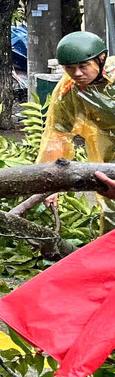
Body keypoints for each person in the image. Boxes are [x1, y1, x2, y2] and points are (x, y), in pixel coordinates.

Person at [38, 31, 115, 231]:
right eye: (69, 68)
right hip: (109, 154)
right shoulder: (68, 91)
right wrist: (50, 183)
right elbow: (57, 134)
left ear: (101, 60)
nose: (77, 73)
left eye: (83, 66)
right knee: (111, 212)